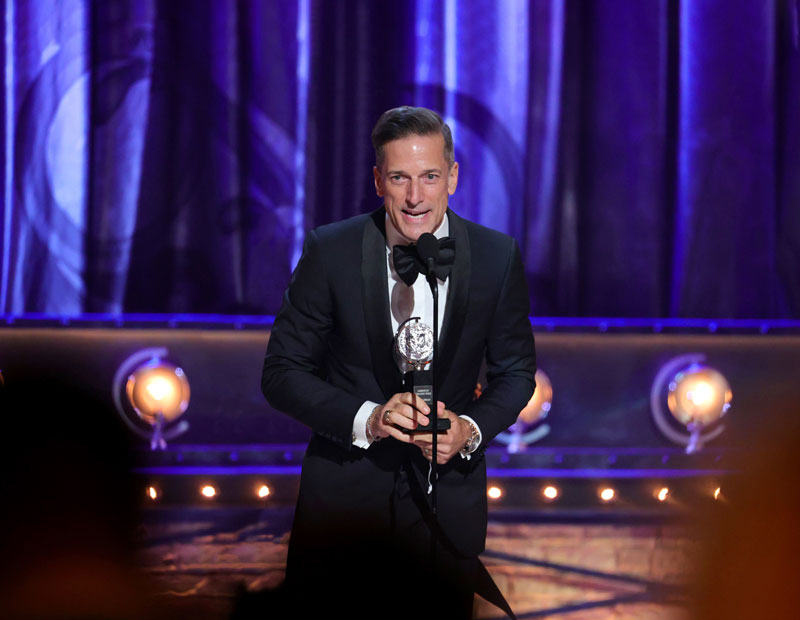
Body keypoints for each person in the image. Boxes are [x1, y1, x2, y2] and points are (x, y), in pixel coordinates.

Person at [261, 106, 535, 619]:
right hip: (342, 515)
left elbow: (516, 372)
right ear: (377, 181)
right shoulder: (331, 250)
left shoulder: (498, 257)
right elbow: (281, 372)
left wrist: (470, 428)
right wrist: (371, 417)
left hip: (446, 516)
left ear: (452, 175)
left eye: (430, 176)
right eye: (400, 178)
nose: (415, 196)